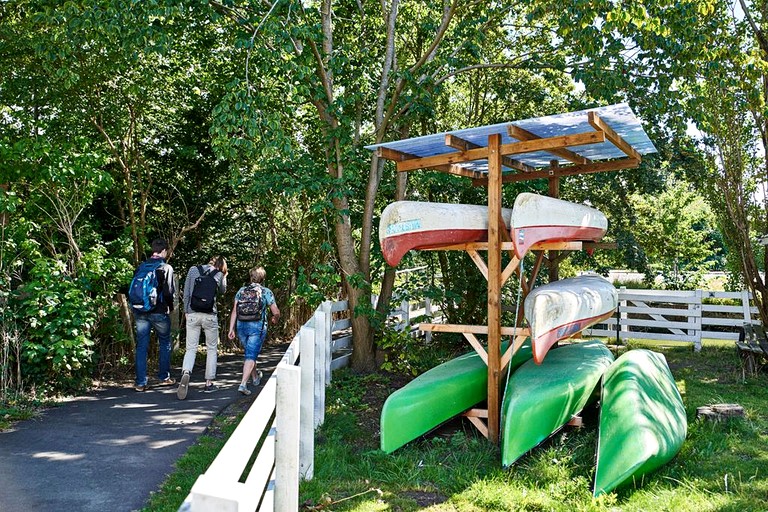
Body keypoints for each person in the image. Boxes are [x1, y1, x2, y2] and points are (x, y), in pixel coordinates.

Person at [176, 256, 228, 400]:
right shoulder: (219, 274)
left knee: (191, 348)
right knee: (211, 348)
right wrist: (224, 275)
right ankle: (209, 383)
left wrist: (186, 311)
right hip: (210, 315)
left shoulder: (193, 270)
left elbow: (186, 293)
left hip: (192, 313)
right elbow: (223, 291)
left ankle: (186, 372)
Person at [132, 238, 176, 392]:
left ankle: (140, 382)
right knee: (164, 343)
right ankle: (164, 377)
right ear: (164, 251)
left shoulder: (142, 266)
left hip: (140, 311)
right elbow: (169, 292)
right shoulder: (165, 267)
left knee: (141, 346)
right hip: (159, 312)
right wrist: (170, 308)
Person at [228, 266, 280, 395]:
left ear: (251, 277)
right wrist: (276, 318)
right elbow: (275, 311)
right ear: (263, 278)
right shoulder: (266, 291)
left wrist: (231, 328)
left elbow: (235, 310)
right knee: (251, 355)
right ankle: (243, 384)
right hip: (257, 326)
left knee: (249, 353)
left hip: (241, 325)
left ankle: (255, 377)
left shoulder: (241, 291)